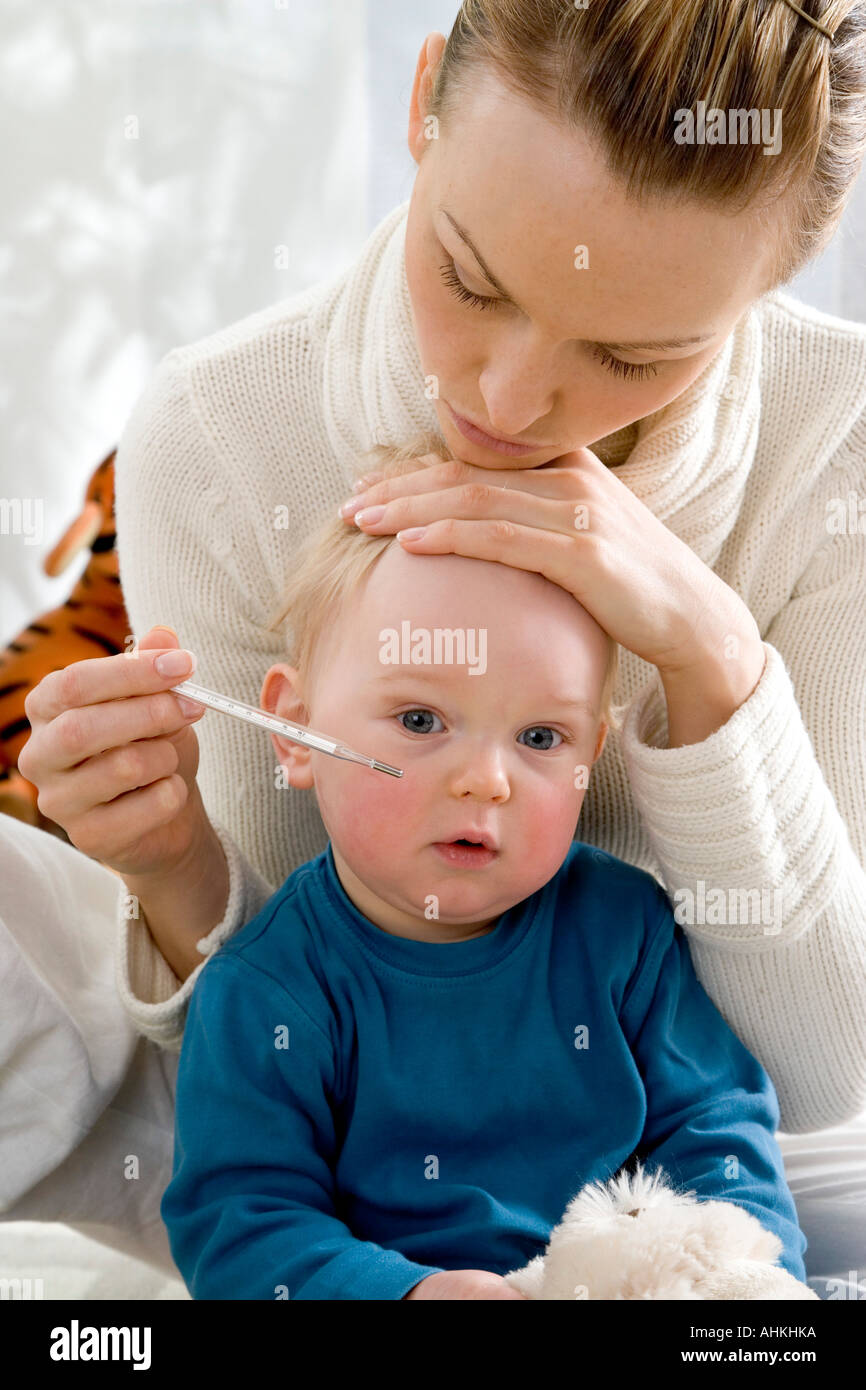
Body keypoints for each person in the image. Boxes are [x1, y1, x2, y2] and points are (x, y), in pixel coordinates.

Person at [4, 1, 866, 1298]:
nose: (510, 402)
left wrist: (708, 653)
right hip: (346, 1119)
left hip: (715, 1149)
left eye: (633, 354)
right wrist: (170, 859)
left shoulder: (837, 437)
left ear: (770, 284)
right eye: (471, 278)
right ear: (420, 104)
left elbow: (814, 1065)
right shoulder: (220, 424)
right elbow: (302, 989)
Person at [161, 456, 809, 1300]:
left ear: (590, 761)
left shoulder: (625, 932)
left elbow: (717, 1130)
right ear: (296, 730)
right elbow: (242, 1222)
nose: (487, 780)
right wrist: (407, 1293)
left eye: (542, 739)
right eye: (422, 720)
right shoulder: (268, 991)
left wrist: (741, 1282)